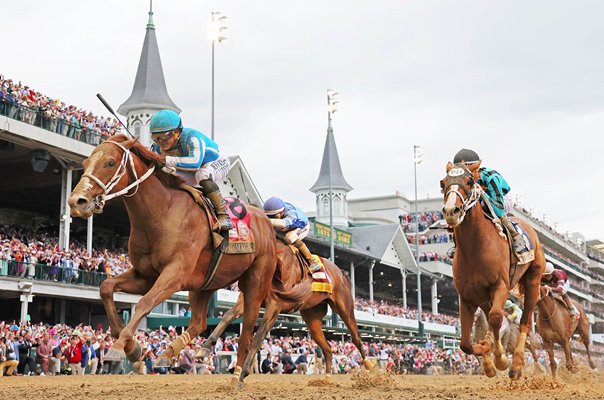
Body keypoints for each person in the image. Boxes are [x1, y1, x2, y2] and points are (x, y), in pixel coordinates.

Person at [149, 109, 233, 231]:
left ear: (177, 132)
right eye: (156, 138)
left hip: (216, 163)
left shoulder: (192, 137)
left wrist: (165, 160)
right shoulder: (156, 147)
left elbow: (195, 163)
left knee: (202, 175)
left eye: (164, 137)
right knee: (169, 176)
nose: (160, 142)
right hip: (191, 168)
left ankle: (223, 215)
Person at [453, 149, 527, 255]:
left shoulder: (491, 177)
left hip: (502, 199)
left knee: (487, 208)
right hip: (480, 197)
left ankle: (516, 236)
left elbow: (499, 209)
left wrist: (482, 192)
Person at [262, 197, 320, 272]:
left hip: (300, 227)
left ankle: (312, 261)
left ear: (282, 213)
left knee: (290, 237)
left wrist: (265, 219)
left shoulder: (292, 213)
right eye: (268, 216)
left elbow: (284, 223)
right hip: (283, 228)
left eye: (274, 216)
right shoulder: (277, 212)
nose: (271, 217)